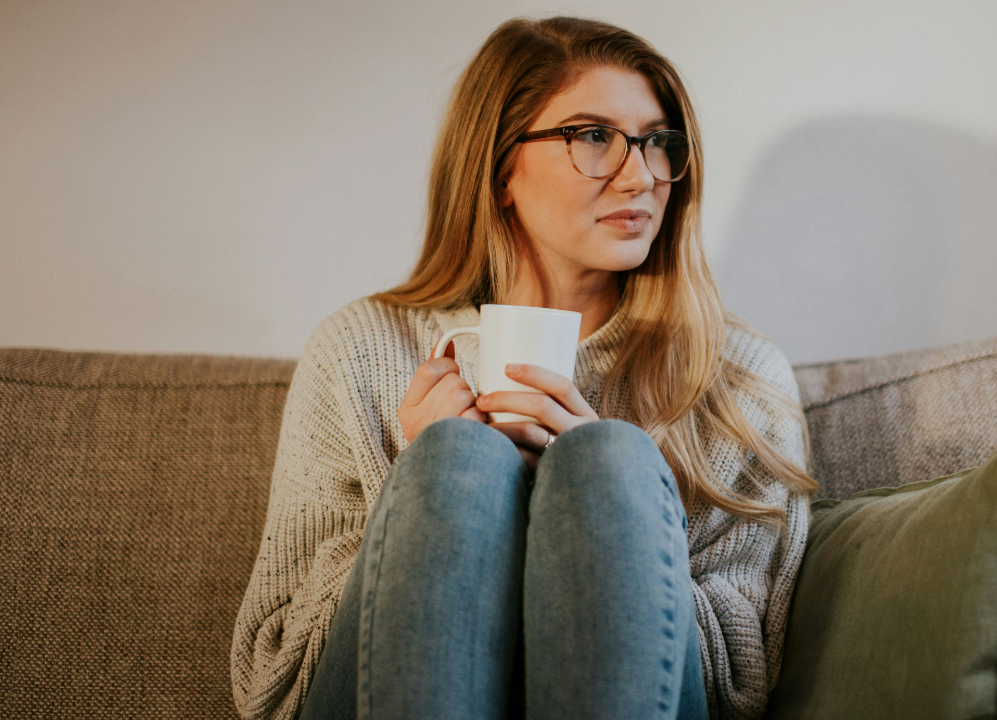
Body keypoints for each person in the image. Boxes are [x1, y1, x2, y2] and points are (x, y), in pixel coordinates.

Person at [230, 15, 817, 720]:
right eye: (593, 136)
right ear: (501, 168)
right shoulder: (361, 349)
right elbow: (272, 683)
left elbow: (740, 687)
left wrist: (602, 515)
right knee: (454, 461)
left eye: (657, 141)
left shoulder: (735, 376)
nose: (640, 175)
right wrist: (422, 491)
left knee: (606, 462)